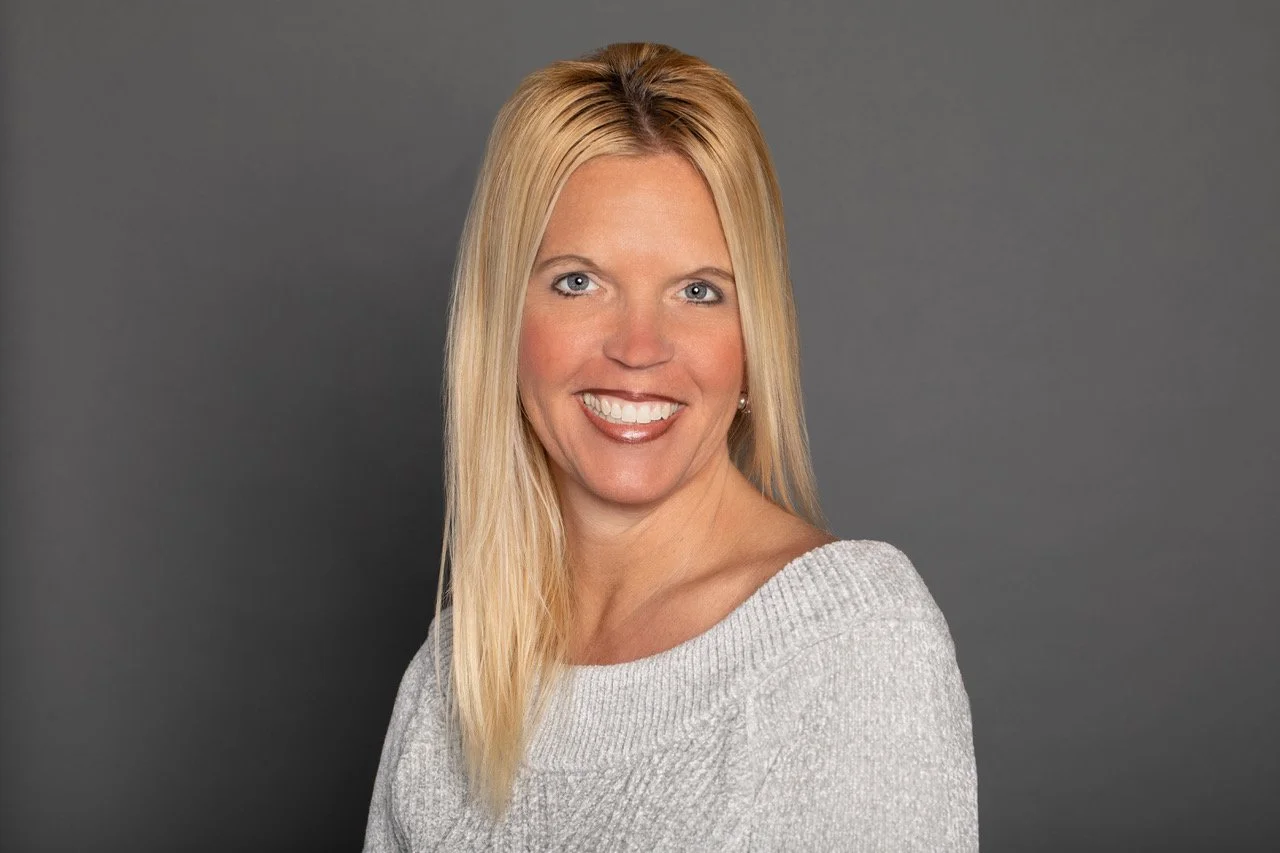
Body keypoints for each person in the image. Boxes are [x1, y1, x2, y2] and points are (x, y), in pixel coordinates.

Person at [363, 42, 977, 851]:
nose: (639, 346)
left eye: (698, 291)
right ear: (503, 327)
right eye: (578, 281)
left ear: (753, 340)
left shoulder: (854, 641)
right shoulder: (448, 679)